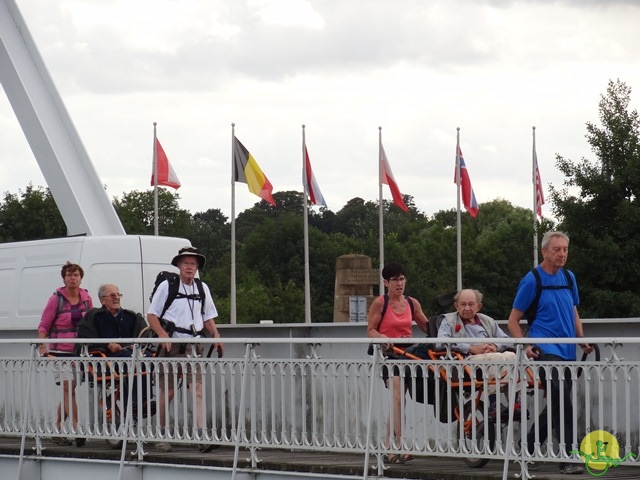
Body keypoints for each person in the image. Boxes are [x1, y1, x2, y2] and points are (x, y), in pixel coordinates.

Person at [508, 231, 593, 475]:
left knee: (558, 400)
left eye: (565, 249)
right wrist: (526, 344)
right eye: (557, 249)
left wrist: (582, 341)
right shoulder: (532, 279)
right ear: (544, 251)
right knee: (563, 402)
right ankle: (568, 458)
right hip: (545, 349)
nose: (562, 254)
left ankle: (527, 446)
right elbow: (513, 320)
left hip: (567, 350)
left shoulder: (569, 277)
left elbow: (573, 312)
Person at [147, 246, 224, 453]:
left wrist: (215, 335)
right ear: (179, 266)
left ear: (197, 267)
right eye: (186, 263)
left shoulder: (202, 288)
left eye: (193, 263)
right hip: (170, 344)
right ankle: (162, 435)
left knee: (197, 389)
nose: (189, 267)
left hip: (193, 345)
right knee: (169, 391)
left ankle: (201, 436)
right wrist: (163, 335)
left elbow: (207, 316)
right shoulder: (167, 286)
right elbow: (152, 316)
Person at [367, 263, 429, 464]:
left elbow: (428, 327)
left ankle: (388, 448)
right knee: (397, 397)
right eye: (395, 280)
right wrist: (383, 338)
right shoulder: (380, 303)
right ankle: (400, 446)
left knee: (399, 399)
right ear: (386, 282)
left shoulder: (412, 303)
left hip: (408, 354)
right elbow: (370, 330)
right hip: (389, 354)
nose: (399, 283)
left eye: (402, 279)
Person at [437, 289, 523, 420]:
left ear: (478, 306)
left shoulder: (487, 320)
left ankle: (515, 403)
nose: (467, 308)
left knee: (514, 357)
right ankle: (493, 403)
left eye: (471, 304)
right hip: (466, 361)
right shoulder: (448, 321)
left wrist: (495, 346)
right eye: (463, 304)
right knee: (498, 359)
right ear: (456, 306)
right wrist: (470, 348)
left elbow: (506, 340)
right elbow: (440, 343)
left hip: (490, 356)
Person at [37, 261, 94, 447]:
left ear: (80, 278)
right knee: (68, 387)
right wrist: (43, 346)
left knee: (69, 390)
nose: (72, 278)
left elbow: (91, 323)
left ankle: (58, 428)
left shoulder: (86, 298)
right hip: (58, 350)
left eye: (76, 275)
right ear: (64, 278)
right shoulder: (56, 299)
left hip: (78, 351)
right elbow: (44, 324)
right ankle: (77, 429)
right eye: (69, 275)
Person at [76, 284, 154, 416]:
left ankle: (141, 401)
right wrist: (107, 345)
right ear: (102, 300)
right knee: (134, 359)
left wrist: (137, 344)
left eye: (118, 295)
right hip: (105, 361)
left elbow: (144, 334)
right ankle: (137, 403)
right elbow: (85, 337)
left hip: (129, 355)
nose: (117, 298)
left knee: (147, 356)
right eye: (113, 295)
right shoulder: (94, 316)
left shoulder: (131, 316)